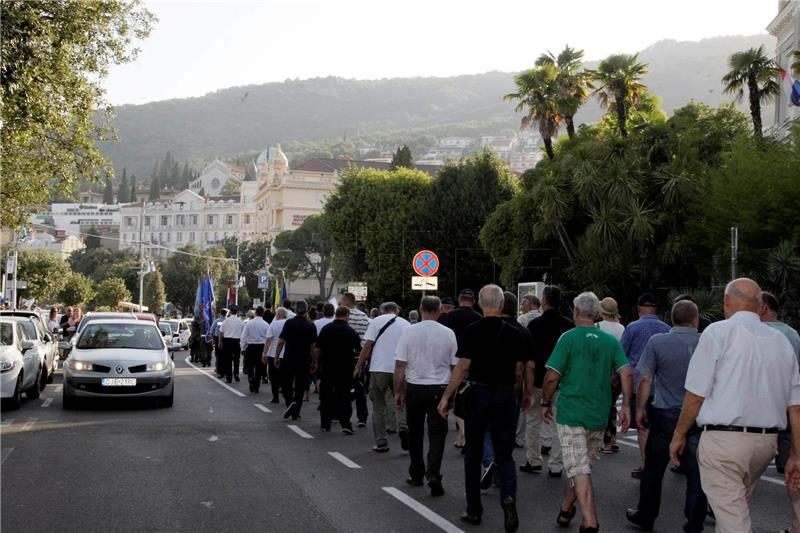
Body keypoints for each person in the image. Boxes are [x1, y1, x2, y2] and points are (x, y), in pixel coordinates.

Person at [670, 278, 800, 533]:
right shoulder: (781, 341)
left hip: (723, 442)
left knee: (732, 519)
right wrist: (796, 453)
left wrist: (678, 435)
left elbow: (696, 395)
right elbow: (795, 406)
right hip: (765, 445)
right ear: (759, 305)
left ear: (727, 302)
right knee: (731, 510)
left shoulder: (718, 332)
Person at [438, 285, 528, 533]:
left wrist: (447, 396)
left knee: (473, 454)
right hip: (504, 394)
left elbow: (463, 367)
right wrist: (517, 393)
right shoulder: (515, 333)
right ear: (501, 304)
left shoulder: (472, 330)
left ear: (479, 303)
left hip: (478, 394)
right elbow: (519, 371)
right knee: (505, 454)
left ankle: (474, 509)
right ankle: (508, 499)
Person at [542, 291, 633, 533]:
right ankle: (565, 508)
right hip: (599, 414)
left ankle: (590, 521)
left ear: (575, 312)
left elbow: (552, 376)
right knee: (580, 464)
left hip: (572, 412)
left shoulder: (568, 338)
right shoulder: (610, 341)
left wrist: (545, 401)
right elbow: (627, 371)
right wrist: (625, 406)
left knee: (578, 467)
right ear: (597, 315)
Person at [625, 300, 707, 532]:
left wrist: (640, 408)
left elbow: (645, 378)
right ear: (696, 319)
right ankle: (694, 520)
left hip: (665, 415)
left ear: (672, 319)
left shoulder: (658, 342)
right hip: (698, 416)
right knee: (697, 472)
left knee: (653, 470)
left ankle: (646, 515)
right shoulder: (708, 343)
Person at [395, 296, 458, 496]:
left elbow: (400, 365)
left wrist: (399, 390)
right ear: (439, 311)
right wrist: (451, 393)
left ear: (420, 309)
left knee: (415, 433)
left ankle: (416, 473)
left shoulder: (408, 332)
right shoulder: (448, 333)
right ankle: (433, 473)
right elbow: (455, 366)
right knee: (438, 434)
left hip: (414, 386)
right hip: (439, 388)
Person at [758, 291, 800, 533]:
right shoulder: (792, 333)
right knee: (792, 472)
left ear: (763, 308)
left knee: (743, 468)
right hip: (788, 409)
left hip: (762, 411)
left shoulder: (762, 334)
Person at [524, 285, 572, 476]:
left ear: (544, 302)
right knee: (559, 423)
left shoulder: (534, 325)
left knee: (533, 421)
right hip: (562, 381)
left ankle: (533, 460)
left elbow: (530, 362)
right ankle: (556, 465)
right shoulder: (569, 326)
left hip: (537, 380)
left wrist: (526, 388)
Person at [621, 292, 670, 478]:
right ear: (656, 308)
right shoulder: (666, 327)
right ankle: (658, 464)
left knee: (643, 426)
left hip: (639, 385)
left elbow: (622, 354)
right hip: (662, 386)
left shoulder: (632, 328)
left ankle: (645, 465)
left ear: (638, 308)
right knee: (660, 429)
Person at [355, 301, 410, 452]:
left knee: (378, 406)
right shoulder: (406, 324)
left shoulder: (376, 321)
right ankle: (403, 425)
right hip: (399, 368)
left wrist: (358, 366)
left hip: (378, 368)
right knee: (400, 401)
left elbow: (367, 345)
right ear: (397, 310)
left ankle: (381, 441)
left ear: (381, 310)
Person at [442, 288, 483, 450]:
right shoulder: (479, 318)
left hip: (453, 360)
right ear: (473, 302)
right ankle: (461, 436)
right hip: (472, 362)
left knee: (456, 398)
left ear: (459, 300)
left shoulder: (450, 316)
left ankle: (463, 433)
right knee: (467, 398)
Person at [315, 306, 361, 434]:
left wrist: (315, 363)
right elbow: (358, 350)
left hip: (328, 367)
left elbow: (317, 349)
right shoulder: (351, 331)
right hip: (345, 368)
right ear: (347, 316)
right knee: (344, 396)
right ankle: (345, 424)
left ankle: (325, 424)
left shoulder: (326, 329)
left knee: (325, 396)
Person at [276, 300, 317, 420]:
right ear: (307, 310)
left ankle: (290, 402)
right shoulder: (311, 325)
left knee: (285, 383)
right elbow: (313, 347)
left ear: (295, 308)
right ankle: (296, 411)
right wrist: (314, 361)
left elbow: (281, 341)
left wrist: (277, 356)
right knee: (300, 386)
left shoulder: (289, 323)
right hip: (304, 359)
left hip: (289, 358)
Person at [342, 292, 370, 427]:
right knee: (360, 387)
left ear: (347, 302)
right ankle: (362, 418)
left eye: (342, 300)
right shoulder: (365, 316)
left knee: (343, 386)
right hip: (360, 356)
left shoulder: (344, 315)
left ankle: (341, 415)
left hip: (345, 356)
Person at [262, 307, 289, 403]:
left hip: (273, 354)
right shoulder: (289, 323)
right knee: (285, 377)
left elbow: (268, 340)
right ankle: (288, 398)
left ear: (278, 315)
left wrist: (264, 353)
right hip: (286, 354)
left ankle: (275, 396)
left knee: (273, 377)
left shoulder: (273, 324)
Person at [241, 306, 270, 393]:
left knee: (250, 365)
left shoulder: (249, 323)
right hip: (261, 347)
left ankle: (250, 378)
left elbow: (244, 336)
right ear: (263, 313)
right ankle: (256, 385)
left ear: (256, 313)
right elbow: (268, 339)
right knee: (259, 367)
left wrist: (243, 348)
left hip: (251, 346)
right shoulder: (266, 324)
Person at [218, 305, 244, 383]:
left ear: (230, 312)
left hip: (227, 341)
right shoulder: (241, 321)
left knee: (227, 360)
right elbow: (243, 334)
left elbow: (221, 333)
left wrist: (220, 342)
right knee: (236, 359)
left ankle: (229, 377)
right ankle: (236, 374)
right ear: (237, 312)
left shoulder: (226, 321)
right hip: (237, 342)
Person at [211, 308, 227, 377]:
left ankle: (218, 369)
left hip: (217, 339)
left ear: (220, 313)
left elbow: (211, 331)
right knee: (225, 356)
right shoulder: (227, 321)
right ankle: (225, 370)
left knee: (218, 355)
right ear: (226, 313)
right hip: (226, 340)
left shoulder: (216, 321)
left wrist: (213, 340)